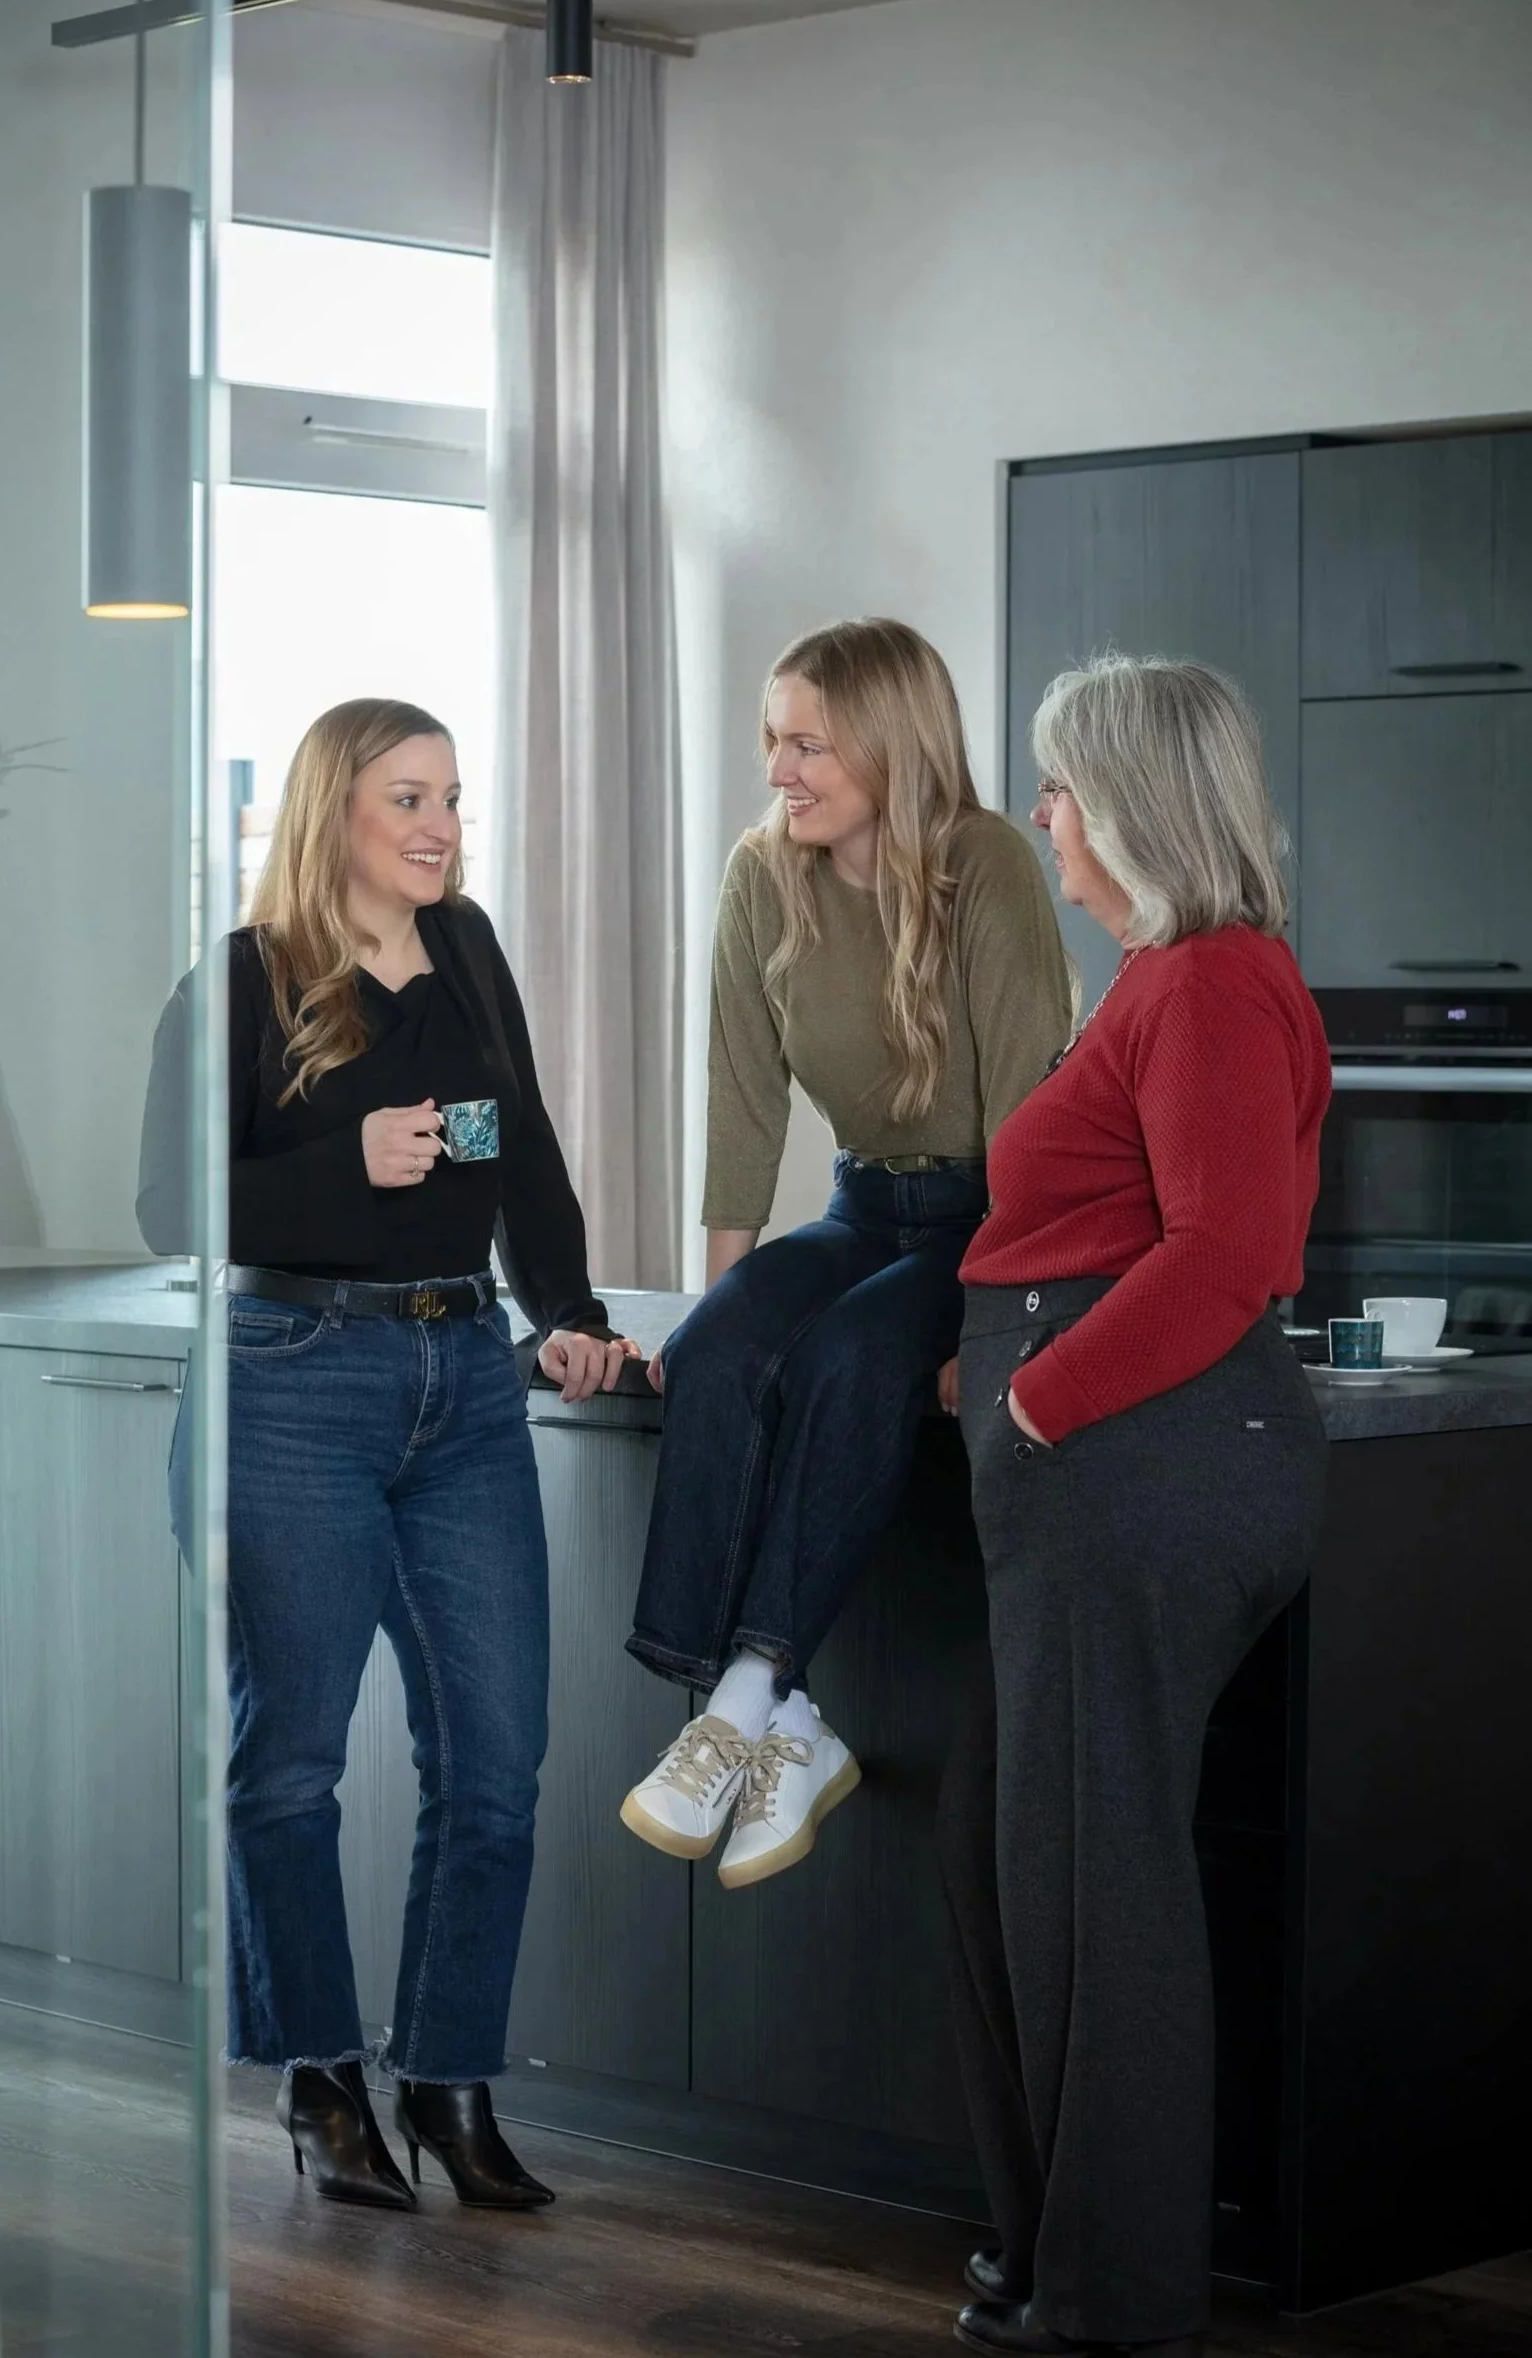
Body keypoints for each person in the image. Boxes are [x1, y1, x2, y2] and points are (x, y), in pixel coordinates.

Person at [138, 698, 637, 2213]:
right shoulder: (238, 982)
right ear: (330, 812)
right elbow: (174, 1206)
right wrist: (339, 1166)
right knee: (288, 1764)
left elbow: (524, 1147)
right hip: (290, 1379)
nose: (439, 826)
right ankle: (318, 2079)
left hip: (463, 1380)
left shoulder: (468, 945)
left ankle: (446, 2077)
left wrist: (569, 1311)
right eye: (408, 798)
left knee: (495, 1762)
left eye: (453, 798)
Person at [937, 655, 1332, 2358]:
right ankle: (1050, 2251)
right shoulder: (1156, 978)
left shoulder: (1216, 982)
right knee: (1005, 1857)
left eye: (1060, 788)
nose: (1043, 819)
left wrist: (1036, 1392)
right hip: (1102, 1460)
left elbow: (1227, 1255)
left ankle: (1107, 2304)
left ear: (1133, 803)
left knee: (1097, 1886)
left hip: (1137, 1460)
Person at [620, 619, 1072, 1890]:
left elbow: (1029, 1121)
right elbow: (739, 1094)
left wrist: (998, 1322)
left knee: (858, 1359)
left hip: (994, 1212)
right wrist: (724, 1296)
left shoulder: (984, 863)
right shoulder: (763, 874)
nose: (779, 770)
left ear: (888, 742)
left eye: (806, 742)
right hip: (861, 1204)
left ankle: (744, 1692)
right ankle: (791, 1725)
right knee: (715, 1352)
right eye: (772, 740)